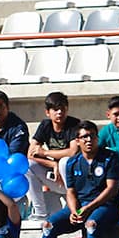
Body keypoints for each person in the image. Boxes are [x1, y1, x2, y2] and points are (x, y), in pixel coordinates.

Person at [41, 121, 119, 238]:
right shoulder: (72, 163)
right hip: (80, 207)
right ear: (77, 141)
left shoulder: (110, 158)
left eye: (92, 136)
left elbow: (112, 189)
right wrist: (74, 211)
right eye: (85, 137)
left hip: (105, 206)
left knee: (91, 224)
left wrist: (88, 208)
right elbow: (71, 191)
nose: (89, 140)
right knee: (48, 226)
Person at [27, 91, 81, 220]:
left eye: (62, 109)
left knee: (64, 161)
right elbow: (31, 153)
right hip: (56, 175)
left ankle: (73, 205)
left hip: (75, 178)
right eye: (55, 109)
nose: (59, 113)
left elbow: (72, 151)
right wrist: (52, 163)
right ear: (47, 112)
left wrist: (45, 153)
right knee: (28, 166)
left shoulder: (74, 124)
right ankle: (40, 212)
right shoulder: (45, 125)